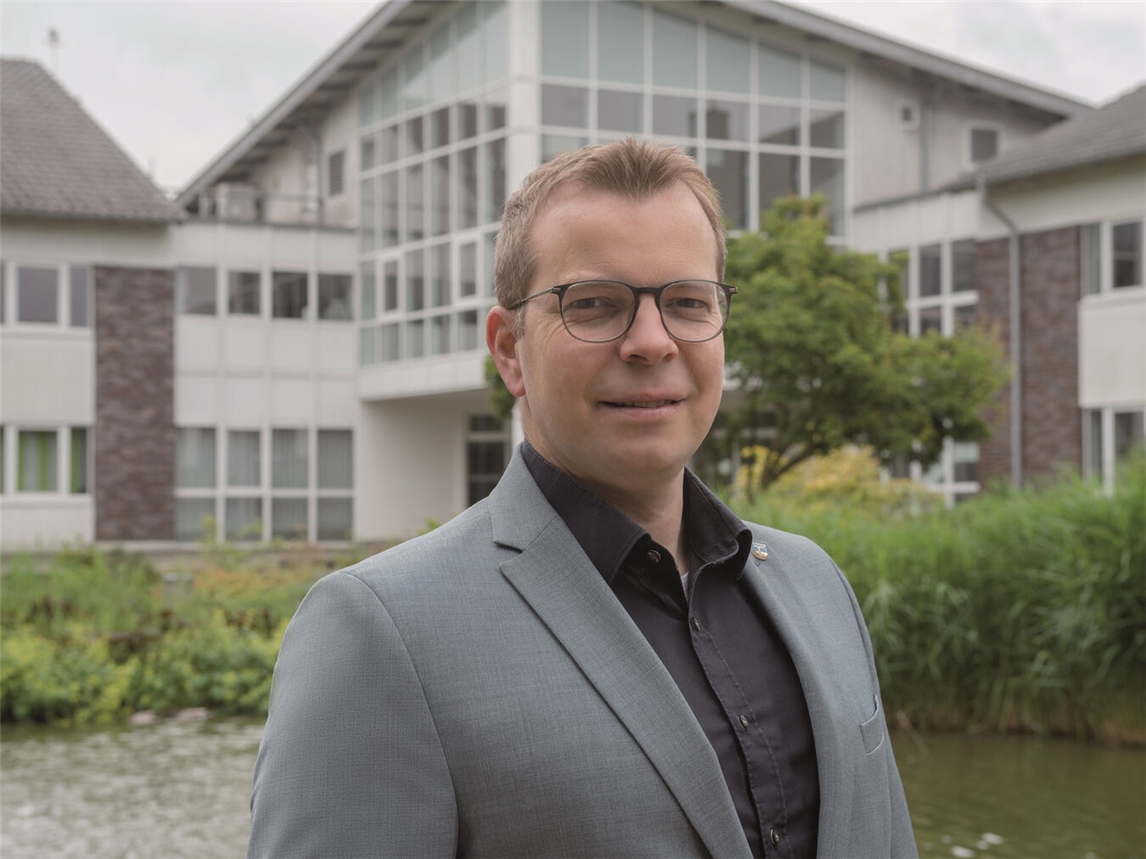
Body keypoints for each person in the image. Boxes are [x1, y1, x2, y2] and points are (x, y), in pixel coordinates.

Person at [247, 138, 916, 859]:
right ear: (509, 349)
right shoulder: (380, 634)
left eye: (687, 302)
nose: (652, 342)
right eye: (595, 305)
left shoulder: (817, 584)